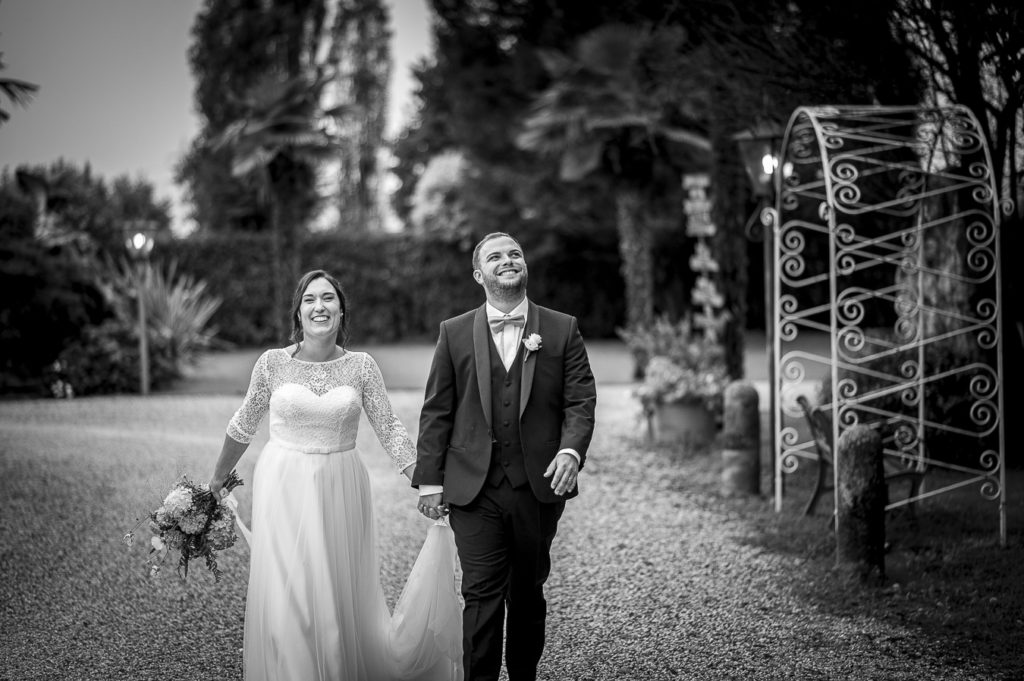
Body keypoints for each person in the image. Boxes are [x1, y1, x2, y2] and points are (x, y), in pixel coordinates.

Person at [208, 269, 462, 681]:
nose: (319, 306)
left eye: (328, 298)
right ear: (298, 312)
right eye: (309, 299)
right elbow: (243, 423)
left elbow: (390, 429)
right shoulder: (272, 363)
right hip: (283, 485)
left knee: (334, 586)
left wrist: (427, 483)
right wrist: (218, 478)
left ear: (341, 311)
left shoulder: (362, 367)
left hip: (341, 485)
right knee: (291, 590)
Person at [413, 233, 597, 681]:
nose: (507, 260)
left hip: (537, 484)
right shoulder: (454, 332)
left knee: (527, 592)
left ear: (525, 266)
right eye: (495, 257)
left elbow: (580, 400)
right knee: (481, 593)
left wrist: (570, 451)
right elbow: (437, 410)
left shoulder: (562, 328)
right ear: (480, 275)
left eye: (515, 253)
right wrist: (431, 481)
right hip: (472, 487)